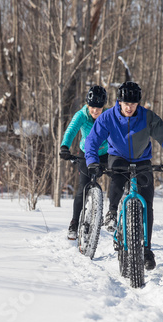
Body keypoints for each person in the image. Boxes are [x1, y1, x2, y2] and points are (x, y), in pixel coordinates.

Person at [85, 81, 163, 270]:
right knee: (118, 178)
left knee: (147, 202)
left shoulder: (147, 117)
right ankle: (112, 212)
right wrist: (92, 162)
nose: (129, 107)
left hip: (142, 159)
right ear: (119, 102)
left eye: (133, 104)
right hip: (118, 157)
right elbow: (92, 141)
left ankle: (146, 250)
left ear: (138, 103)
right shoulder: (107, 118)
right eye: (125, 103)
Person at [59, 85, 108, 240]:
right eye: (92, 107)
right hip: (86, 154)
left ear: (103, 107)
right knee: (83, 187)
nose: (95, 111)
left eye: (99, 108)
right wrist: (65, 146)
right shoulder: (81, 115)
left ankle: (114, 214)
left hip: (105, 154)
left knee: (119, 177)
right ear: (88, 105)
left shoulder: (108, 115)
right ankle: (74, 222)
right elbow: (71, 130)